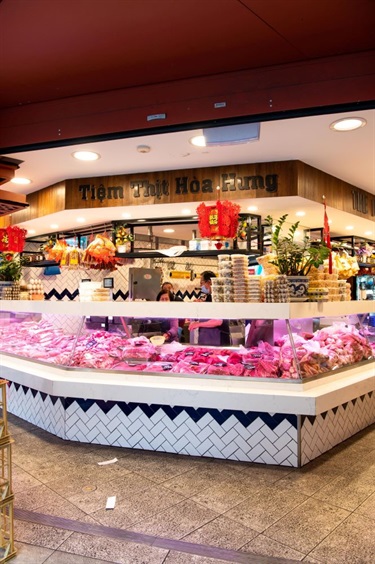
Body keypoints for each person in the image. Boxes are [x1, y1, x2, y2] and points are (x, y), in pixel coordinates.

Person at [189, 271, 231, 346]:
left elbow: (218, 321)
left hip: (218, 339)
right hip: (207, 339)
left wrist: (198, 324)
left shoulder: (219, 297)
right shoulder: (208, 296)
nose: (200, 286)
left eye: (201, 283)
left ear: (209, 282)